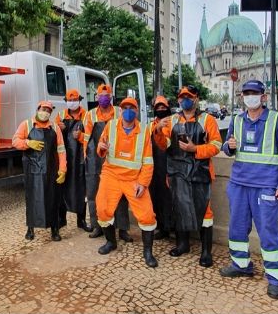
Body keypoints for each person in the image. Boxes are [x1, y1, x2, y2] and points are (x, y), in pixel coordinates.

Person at [219, 78, 278, 301]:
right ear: (242, 97)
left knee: (268, 232)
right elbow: (228, 148)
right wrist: (228, 147)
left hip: (266, 185)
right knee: (237, 228)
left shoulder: (276, 119)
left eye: (254, 93)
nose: (250, 96)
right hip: (239, 184)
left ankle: (275, 279)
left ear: (263, 97)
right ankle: (241, 264)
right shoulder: (237, 119)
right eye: (246, 93)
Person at [157, 86, 222, 266]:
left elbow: (216, 145)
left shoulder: (207, 120)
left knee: (204, 211)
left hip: (200, 172)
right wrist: (157, 132)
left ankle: (206, 251)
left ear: (196, 98)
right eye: (182, 97)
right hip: (177, 172)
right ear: (178, 100)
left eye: (189, 97)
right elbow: (165, 145)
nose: (185, 100)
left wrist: (196, 149)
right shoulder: (172, 121)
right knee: (180, 207)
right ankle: (182, 244)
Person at [94, 97, 159, 267]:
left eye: (131, 108)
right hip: (111, 175)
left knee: (147, 215)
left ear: (136, 111)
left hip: (134, 179)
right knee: (102, 209)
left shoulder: (144, 131)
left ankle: (148, 252)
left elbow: (148, 161)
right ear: (121, 110)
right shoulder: (111, 126)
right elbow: (100, 147)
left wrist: (143, 184)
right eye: (125, 108)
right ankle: (111, 242)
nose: (128, 110)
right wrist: (101, 148)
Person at [11, 101, 67, 241]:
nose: (46, 112)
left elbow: (61, 149)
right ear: (37, 109)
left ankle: (54, 229)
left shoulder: (54, 127)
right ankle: (30, 228)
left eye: (48, 110)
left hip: (51, 169)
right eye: (43, 109)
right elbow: (15, 141)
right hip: (32, 171)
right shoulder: (27, 124)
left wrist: (63, 169)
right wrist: (28, 143)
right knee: (32, 199)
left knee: (53, 199)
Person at [83, 84, 131, 240]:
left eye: (107, 95)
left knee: (120, 193)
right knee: (94, 192)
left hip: (116, 156)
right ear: (97, 97)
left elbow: (126, 131)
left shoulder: (118, 111)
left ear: (111, 96)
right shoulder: (90, 115)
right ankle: (97, 226)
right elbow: (86, 139)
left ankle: (122, 229)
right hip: (94, 159)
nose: (104, 98)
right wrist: (87, 157)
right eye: (101, 95)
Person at [59, 89, 89, 231]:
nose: (72, 102)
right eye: (69, 100)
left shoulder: (86, 116)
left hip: (81, 159)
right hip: (65, 158)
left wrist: (82, 136)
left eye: (74, 99)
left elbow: (92, 137)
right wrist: (60, 129)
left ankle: (81, 220)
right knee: (62, 189)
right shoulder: (60, 116)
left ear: (79, 100)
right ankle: (62, 220)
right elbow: (54, 136)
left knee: (81, 189)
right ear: (66, 101)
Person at [148, 94, 174, 239]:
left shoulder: (172, 123)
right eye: (158, 107)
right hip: (154, 167)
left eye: (163, 107)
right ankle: (161, 227)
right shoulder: (152, 125)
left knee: (168, 198)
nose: (161, 109)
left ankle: (170, 227)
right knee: (156, 197)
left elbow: (167, 144)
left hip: (168, 165)